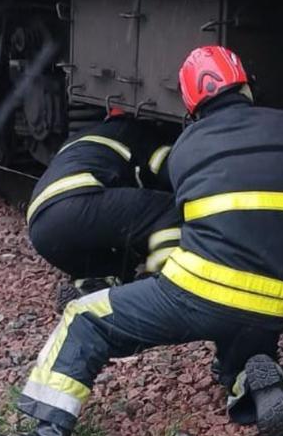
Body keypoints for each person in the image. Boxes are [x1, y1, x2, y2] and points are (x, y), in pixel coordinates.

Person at [0, 45, 283, 436]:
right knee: (239, 342)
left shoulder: (187, 147)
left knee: (84, 318)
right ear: (246, 86)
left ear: (192, 104)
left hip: (198, 293)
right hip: (273, 305)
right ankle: (253, 385)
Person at [26, 110, 180, 307]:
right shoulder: (137, 131)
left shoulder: (81, 137)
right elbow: (171, 171)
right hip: (78, 203)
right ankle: (162, 286)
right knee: (169, 211)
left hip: (41, 229)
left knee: (111, 267)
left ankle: (90, 292)